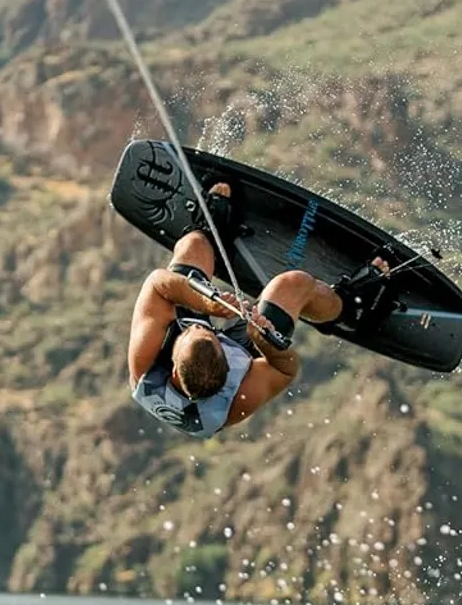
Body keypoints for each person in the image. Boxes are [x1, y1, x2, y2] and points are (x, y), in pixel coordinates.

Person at [127, 183, 388, 437]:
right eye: (201, 332)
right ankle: (349, 309)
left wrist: (207, 303)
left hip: (190, 352)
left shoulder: (145, 360)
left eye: (200, 331)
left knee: (193, 246)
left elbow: (157, 283)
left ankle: (213, 232)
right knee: (291, 284)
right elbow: (285, 370)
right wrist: (265, 343)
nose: (198, 327)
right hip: (242, 354)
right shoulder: (236, 400)